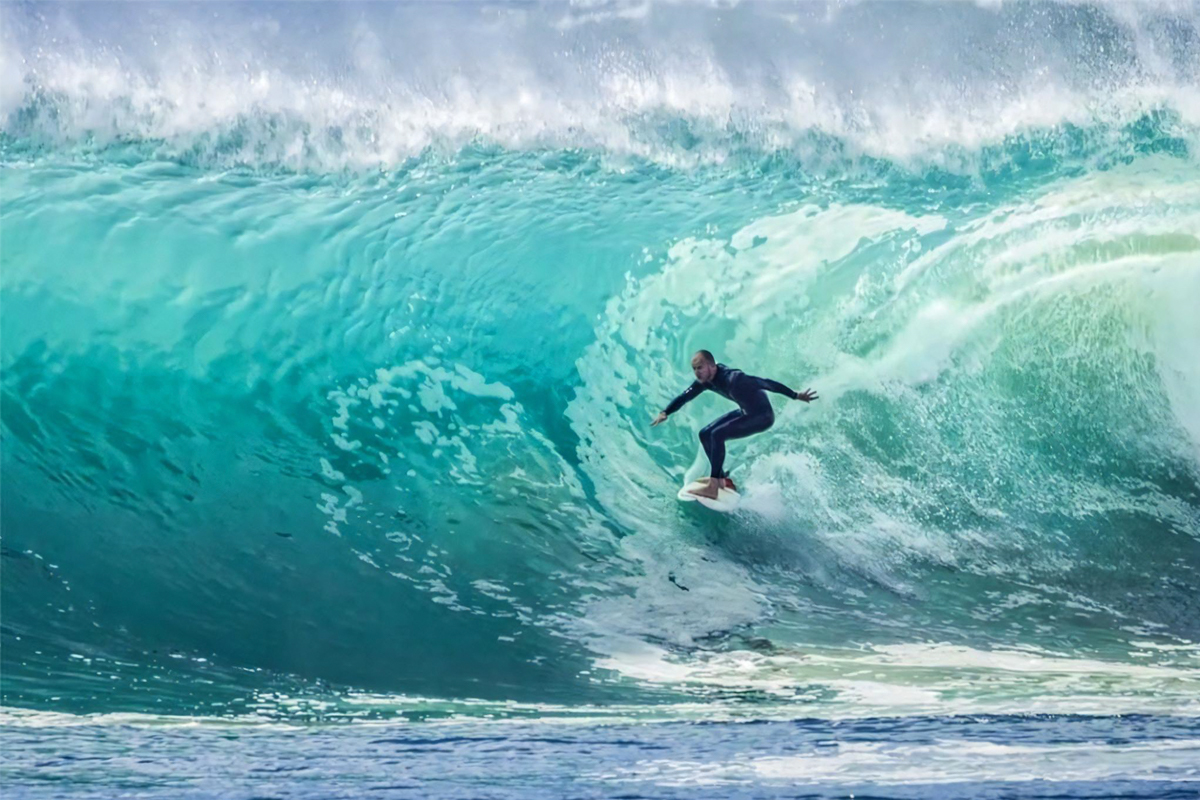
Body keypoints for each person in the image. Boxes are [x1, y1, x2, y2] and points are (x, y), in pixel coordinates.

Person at [651, 350, 817, 499]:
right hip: (746, 412)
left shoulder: (734, 378)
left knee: (717, 435)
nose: (696, 373)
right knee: (705, 433)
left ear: (711, 365)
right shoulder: (706, 381)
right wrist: (666, 412)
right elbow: (685, 396)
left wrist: (796, 395)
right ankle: (722, 479)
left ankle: (714, 485)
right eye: (694, 369)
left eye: (699, 368)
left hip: (762, 416)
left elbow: (766, 383)